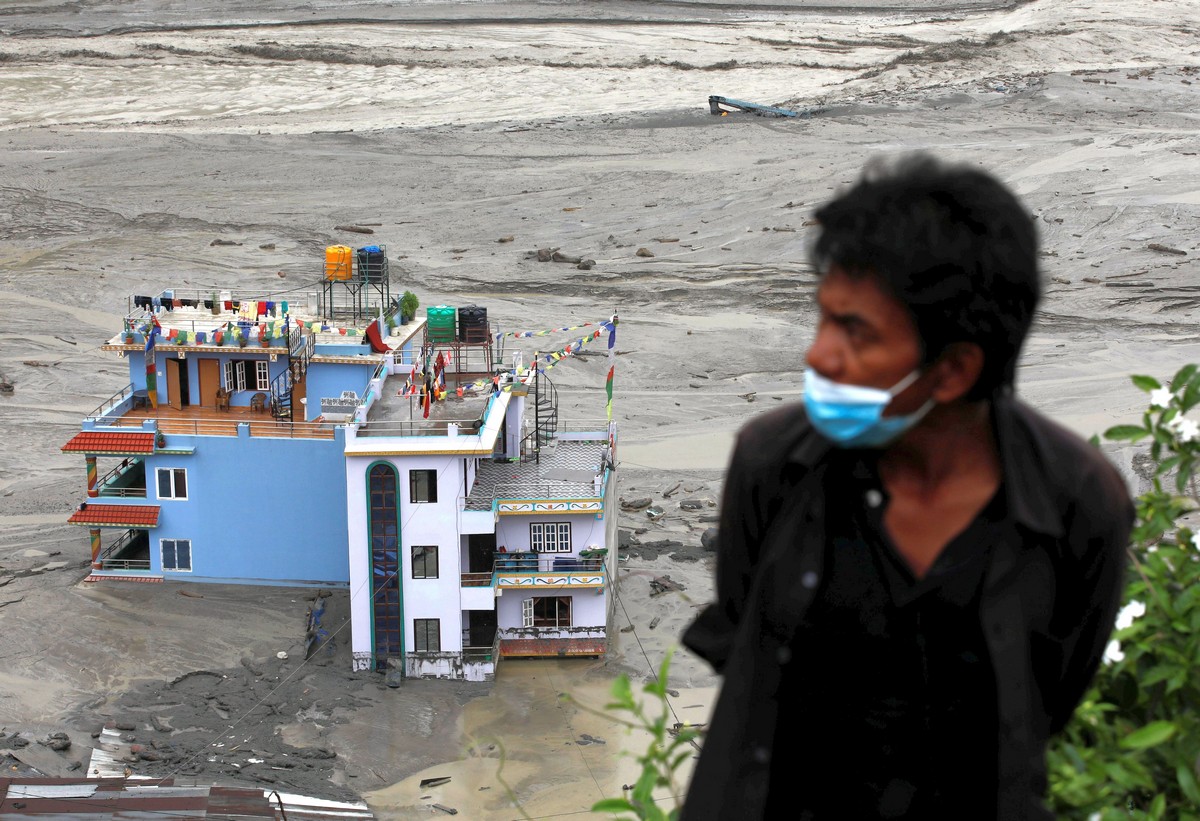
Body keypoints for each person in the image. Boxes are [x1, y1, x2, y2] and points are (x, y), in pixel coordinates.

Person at [680, 155, 1133, 820]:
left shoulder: (1078, 505)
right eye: (824, 318)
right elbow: (745, 643)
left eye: (855, 332)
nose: (818, 354)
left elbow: (1049, 699)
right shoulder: (773, 465)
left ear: (952, 371)